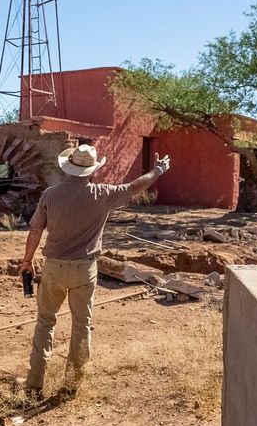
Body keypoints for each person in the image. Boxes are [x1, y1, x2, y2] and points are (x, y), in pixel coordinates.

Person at [17, 144, 170, 396]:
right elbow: (134, 188)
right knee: (81, 325)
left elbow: (35, 231)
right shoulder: (103, 194)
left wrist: (27, 260)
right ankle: (71, 385)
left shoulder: (50, 195)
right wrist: (158, 171)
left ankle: (34, 385)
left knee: (45, 322)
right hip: (84, 268)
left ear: (68, 168)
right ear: (92, 169)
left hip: (54, 267)